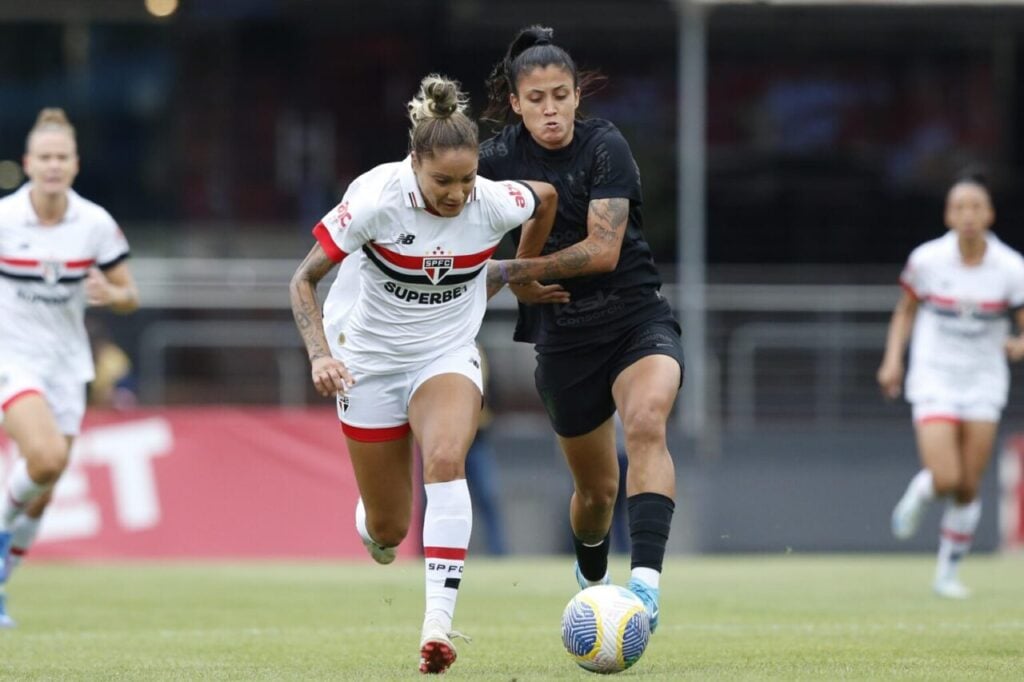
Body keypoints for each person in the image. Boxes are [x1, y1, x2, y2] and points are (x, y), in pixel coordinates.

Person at [288, 74, 560, 674]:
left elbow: (543, 197)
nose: (458, 194)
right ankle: (374, 525)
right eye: (443, 181)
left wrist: (520, 271)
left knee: (445, 459)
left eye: (466, 180)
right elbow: (302, 279)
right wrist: (320, 355)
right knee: (389, 528)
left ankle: (437, 625)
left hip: (445, 353)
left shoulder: (490, 200)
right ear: (414, 165)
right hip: (366, 363)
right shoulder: (375, 201)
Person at [477, 26, 684, 633]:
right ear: (516, 103)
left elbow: (601, 251)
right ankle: (592, 584)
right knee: (595, 494)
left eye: (561, 95)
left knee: (646, 422)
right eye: (536, 98)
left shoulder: (604, 146)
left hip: (634, 317)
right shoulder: (491, 161)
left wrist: (513, 271)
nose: (551, 109)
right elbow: (434, 196)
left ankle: (645, 589)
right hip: (564, 337)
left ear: (576, 96)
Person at [0, 108, 139, 628]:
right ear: (28, 163)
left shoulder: (95, 224)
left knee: (47, 483)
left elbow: (130, 294)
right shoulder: (6, 220)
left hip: (66, 365)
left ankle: (2, 587)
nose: (53, 166)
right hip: (11, 358)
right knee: (43, 458)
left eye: (62, 157)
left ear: (75, 165)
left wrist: (112, 292)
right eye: (45, 158)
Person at [878, 172, 1024, 599]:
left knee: (968, 484)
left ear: (990, 214)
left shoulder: (1011, 268)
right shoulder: (927, 260)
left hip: (984, 379)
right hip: (934, 373)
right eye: (960, 207)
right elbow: (905, 311)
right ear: (948, 214)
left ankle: (946, 573)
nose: (968, 216)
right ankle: (922, 491)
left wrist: (1018, 344)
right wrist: (892, 361)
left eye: (977, 207)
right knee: (946, 475)